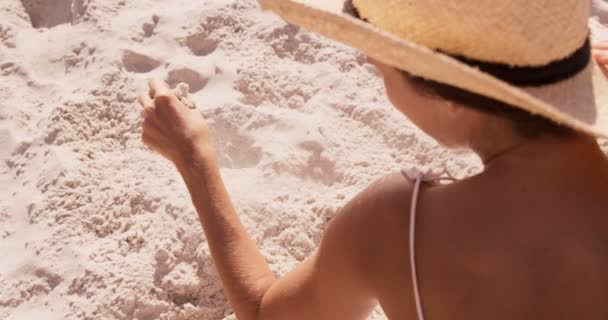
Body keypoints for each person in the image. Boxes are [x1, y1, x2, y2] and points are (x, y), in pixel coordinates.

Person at [137, 1, 608, 319]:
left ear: (452, 97)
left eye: (380, 68)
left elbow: (266, 313)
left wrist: (195, 160)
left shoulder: (398, 227)